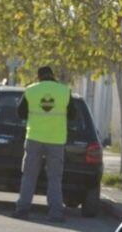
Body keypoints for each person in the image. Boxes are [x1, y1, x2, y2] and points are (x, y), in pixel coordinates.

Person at [13, 66, 76, 222]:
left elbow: (20, 113)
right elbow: (73, 115)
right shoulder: (64, 91)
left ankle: (22, 210)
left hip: (34, 137)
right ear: (52, 75)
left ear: (38, 76)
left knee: (29, 176)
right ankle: (56, 213)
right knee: (55, 178)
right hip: (56, 140)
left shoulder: (31, 90)